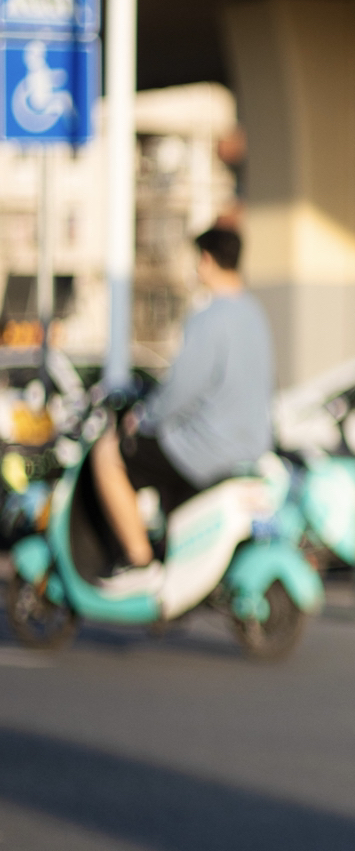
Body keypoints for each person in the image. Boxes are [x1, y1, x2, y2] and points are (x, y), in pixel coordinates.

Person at [91, 224, 275, 592]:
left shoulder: (209, 317)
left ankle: (139, 560)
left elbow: (181, 390)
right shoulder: (256, 314)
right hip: (253, 447)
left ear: (206, 260)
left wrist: (142, 418)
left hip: (206, 449)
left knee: (108, 454)